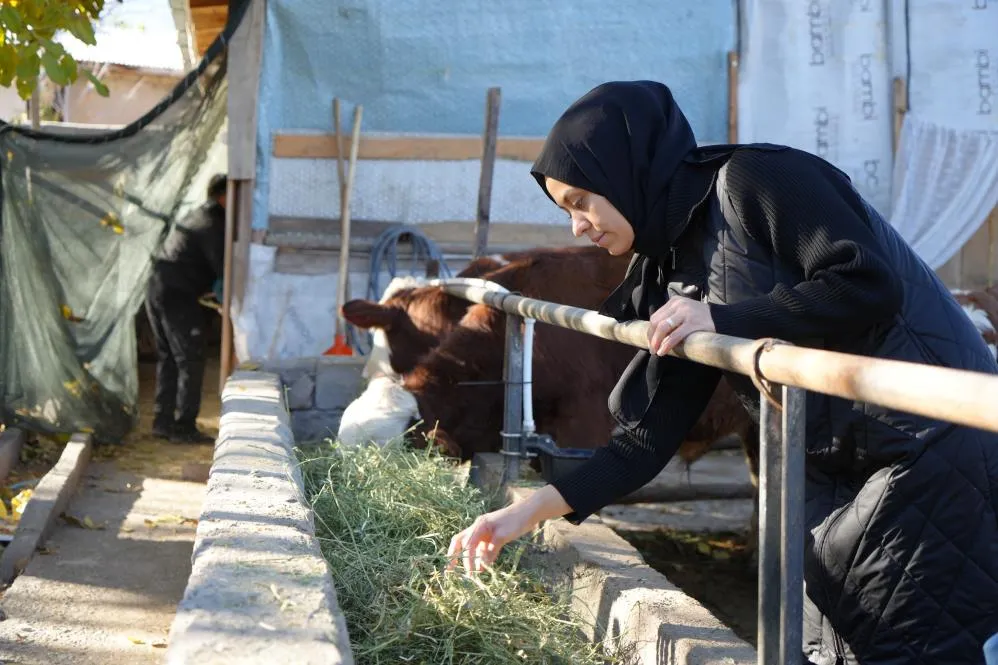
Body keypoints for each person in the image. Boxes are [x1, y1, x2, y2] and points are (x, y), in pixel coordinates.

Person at [445, 81, 998, 664]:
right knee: (832, 646)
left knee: (908, 647)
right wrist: (524, 512)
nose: (577, 226)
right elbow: (646, 439)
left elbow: (867, 281)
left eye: (581, 201)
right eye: (567, 211)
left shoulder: (758, 179)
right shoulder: (676, 265)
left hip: (925, 453)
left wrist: (725, 317)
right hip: (833, 475)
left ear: (625, 171)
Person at [145, 173, 227, 443]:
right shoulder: (213, 223)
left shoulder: (197, 216)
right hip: (176, 293)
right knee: (190, 359)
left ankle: (163, 422)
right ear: (224, 196)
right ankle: (184, 428)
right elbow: (223, 269)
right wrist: (228, 302)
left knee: (170, 357)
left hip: (157, 287)